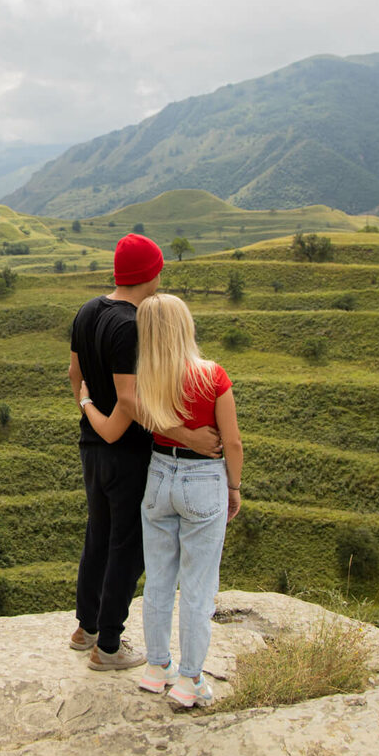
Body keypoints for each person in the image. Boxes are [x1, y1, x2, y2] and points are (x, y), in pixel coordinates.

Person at [66, 234, 221, 671]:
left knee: (98, 534)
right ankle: (110, 647)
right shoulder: (133, 325)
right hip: (127, 451)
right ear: (150, 274)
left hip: (92, 445)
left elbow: (75, 375)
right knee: (127, 546)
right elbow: (130, 400)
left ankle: (86, 629)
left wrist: (89, 412)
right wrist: (188, 437)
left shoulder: (88, 311)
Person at [81, 292, 242, 707]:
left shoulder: (145, 381)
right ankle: (190, 681)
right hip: (202, 479)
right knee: (197, 587)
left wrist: (83, 400)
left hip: (158, 478)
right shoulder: (213, 375)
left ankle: (156, 668)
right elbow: (233, 442)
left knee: (157, 580)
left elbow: (130, 419)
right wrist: (234, 486)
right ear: (185, 326)